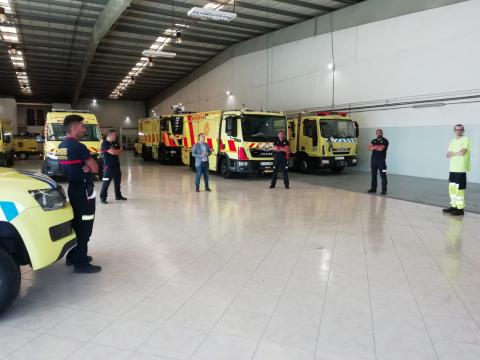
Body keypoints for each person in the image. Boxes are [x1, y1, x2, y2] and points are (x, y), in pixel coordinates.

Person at [58, 115, 101, 273]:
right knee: (85, 226)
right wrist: (88, 167)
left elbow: (63, 169)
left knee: (76, 224)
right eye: (82, 126)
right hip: (84, 191)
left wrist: (82, 167)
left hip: (73, 189)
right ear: (75, 127)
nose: (84, 129)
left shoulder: (61, 146)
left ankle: (73, 256)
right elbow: (95, 168)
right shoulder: (79, 147)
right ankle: (81, 263)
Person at [443, 124, 471, 216]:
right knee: (452, 189)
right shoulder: (452, 141)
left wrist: (453, 153)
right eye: (457, 129)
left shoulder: (466, 139)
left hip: (461, 169)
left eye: (460, 129)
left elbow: (462, 152)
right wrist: (456, 153)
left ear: (463, 131)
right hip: (452, 168)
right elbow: (447, 155)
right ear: (454, 131)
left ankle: (460, 209)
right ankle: (453, 207)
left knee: (459, 190)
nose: (458, 131)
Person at [100, 129, 127, 204]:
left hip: (116, 166)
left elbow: (118, 152)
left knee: (117, 182)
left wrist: (117, 151)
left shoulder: (115, 144)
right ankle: (103, 198)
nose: (116, 136)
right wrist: (117, 151)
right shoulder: (105, 144)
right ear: (110, 135)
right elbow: (113, 152)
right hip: (108, 167)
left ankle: (118, 196)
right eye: (115, 135)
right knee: (106, 183)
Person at [367, 129, 389, 195]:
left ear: (382, 133)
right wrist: (376, 147)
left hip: (381, 161)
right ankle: (373, 189)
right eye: (377, 133)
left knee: (383, 175)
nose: (379, 134)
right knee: (373, 175)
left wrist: (374, 147)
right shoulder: (373, 140)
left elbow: (381, 149)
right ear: (376, 134)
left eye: (380, 133)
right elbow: (369, 148)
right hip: (373, 160)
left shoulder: (385, 141)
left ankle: (384, 190)